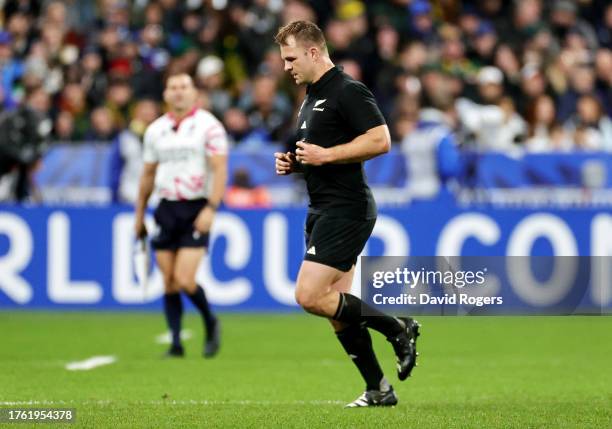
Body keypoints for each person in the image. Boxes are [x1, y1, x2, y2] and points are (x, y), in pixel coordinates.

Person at [273, 20, 420, 408]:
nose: (286, 66)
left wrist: (325, 155)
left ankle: (398, 326)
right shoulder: (310, 97)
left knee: (308, 295)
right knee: (337, 308)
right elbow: (325, 152)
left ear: (313, 52)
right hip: (321, 207)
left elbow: (380, 139)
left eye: (290, 58)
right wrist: (298, 163)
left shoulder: (347, 90)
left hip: (348, 208)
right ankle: (379, 389)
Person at [134, 73, 227, 358]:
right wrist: (139, 214)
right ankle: (176, 343)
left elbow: (219, 168)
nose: (178, 92)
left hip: (196, 206)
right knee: (169, 281)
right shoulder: (155, 130)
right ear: (165, 94)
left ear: (194, 93)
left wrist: (211, 208)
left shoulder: (208, 126)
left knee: (185, 279)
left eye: (183, 87)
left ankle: (211, 321)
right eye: (172, 87)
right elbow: (148, 174)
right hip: (166, 207)